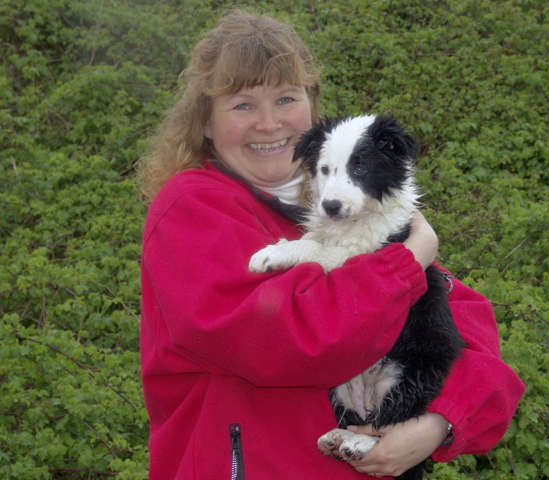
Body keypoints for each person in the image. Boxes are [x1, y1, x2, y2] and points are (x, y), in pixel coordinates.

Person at [137, 10, 525, 480]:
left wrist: (438, 424)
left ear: (311, 106)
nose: (269, 123)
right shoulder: (191, 208)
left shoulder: (344, 207)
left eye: (286, 99)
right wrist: (407, 261)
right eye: (242, 105)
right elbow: (294, 340)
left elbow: (463, 324)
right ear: (204, 122)